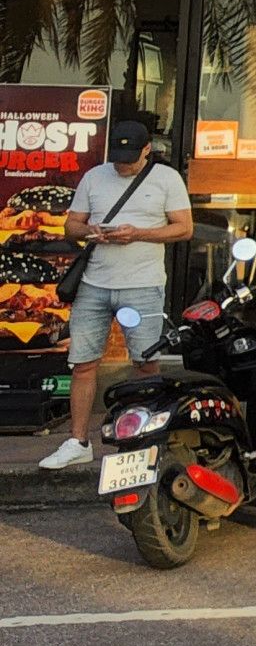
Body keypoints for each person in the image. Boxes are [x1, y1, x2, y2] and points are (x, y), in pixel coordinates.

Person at [37, 120, 194, 472]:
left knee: (145, 363)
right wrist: (90, 232)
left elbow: (184, 228)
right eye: (118, 159)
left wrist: (137, 233)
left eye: (130, 159)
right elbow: (71, 225)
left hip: (142, 284)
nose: (122, 166)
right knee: (83, 362)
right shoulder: (95, 177)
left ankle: (144, 441)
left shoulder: (167, 179)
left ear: (147, 150)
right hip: (93, 284)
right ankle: (77, 441)